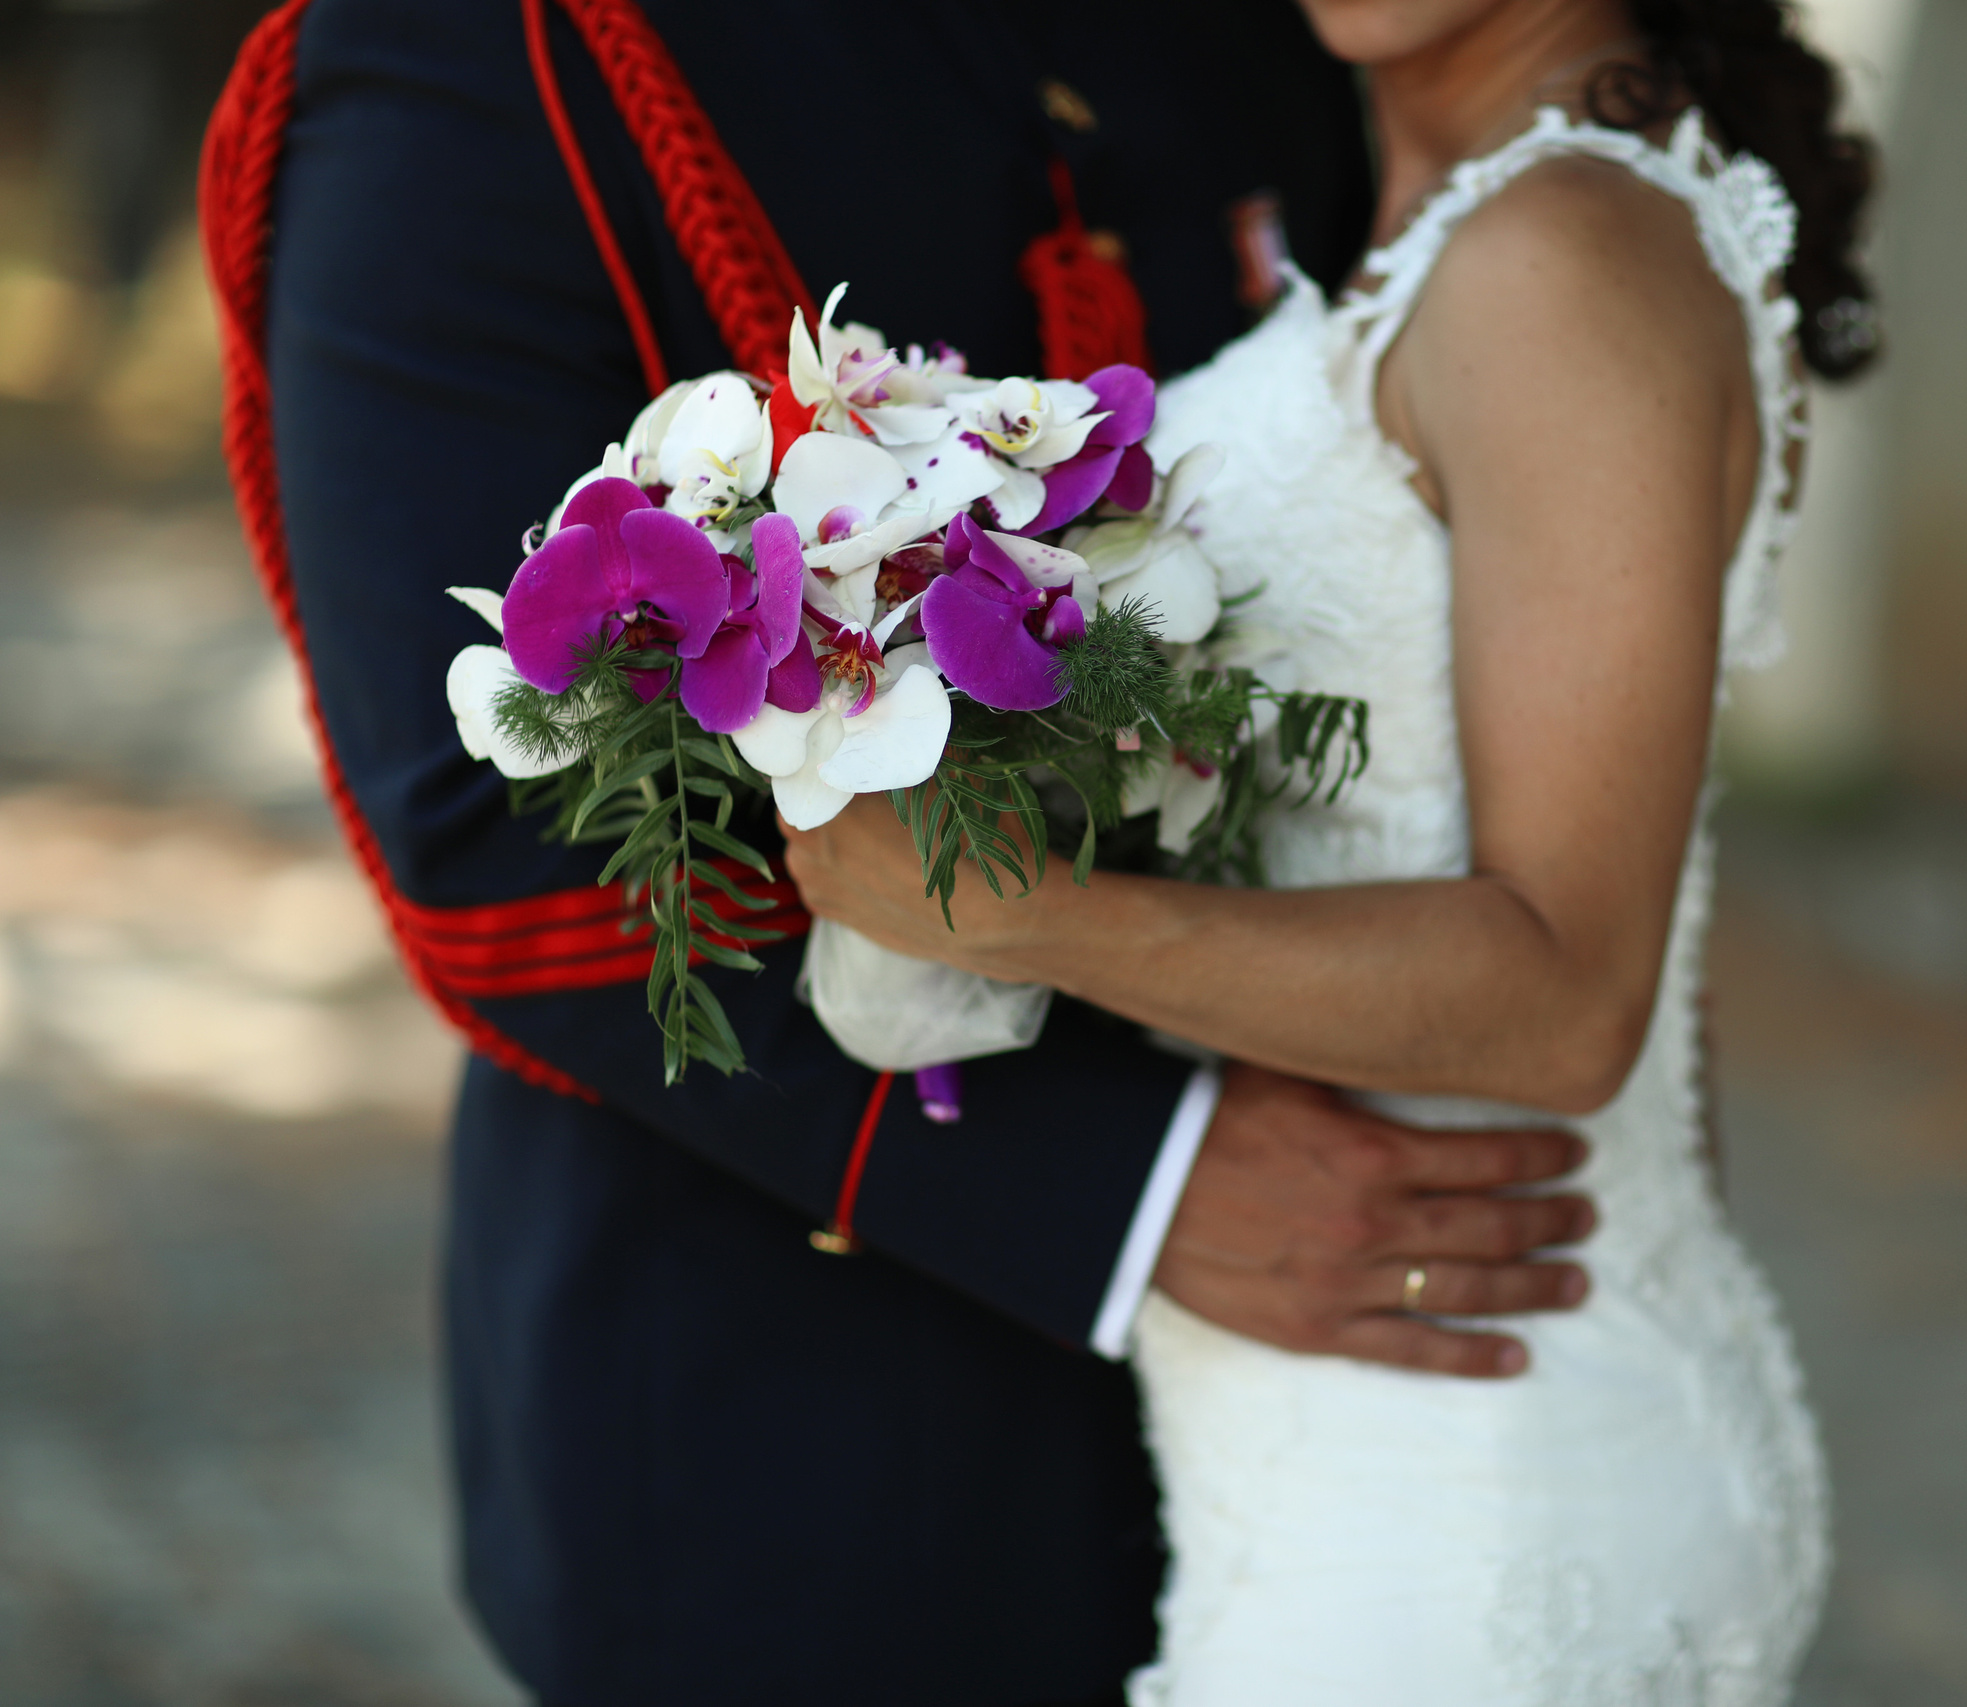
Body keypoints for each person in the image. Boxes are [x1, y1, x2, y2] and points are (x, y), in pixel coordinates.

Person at [245, 0, 1598, 1700]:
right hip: (808, 1417)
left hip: (1347, 1401)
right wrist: (1124, 1185)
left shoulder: (1276, 27)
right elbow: (488, 833)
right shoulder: (484, 52)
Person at [780, 0, 1879, 1698]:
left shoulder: (1556, 256)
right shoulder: (1469, 198)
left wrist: (1010, 913)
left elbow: (1571, 996)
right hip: (1463, 1395)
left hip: (1458, 1487)